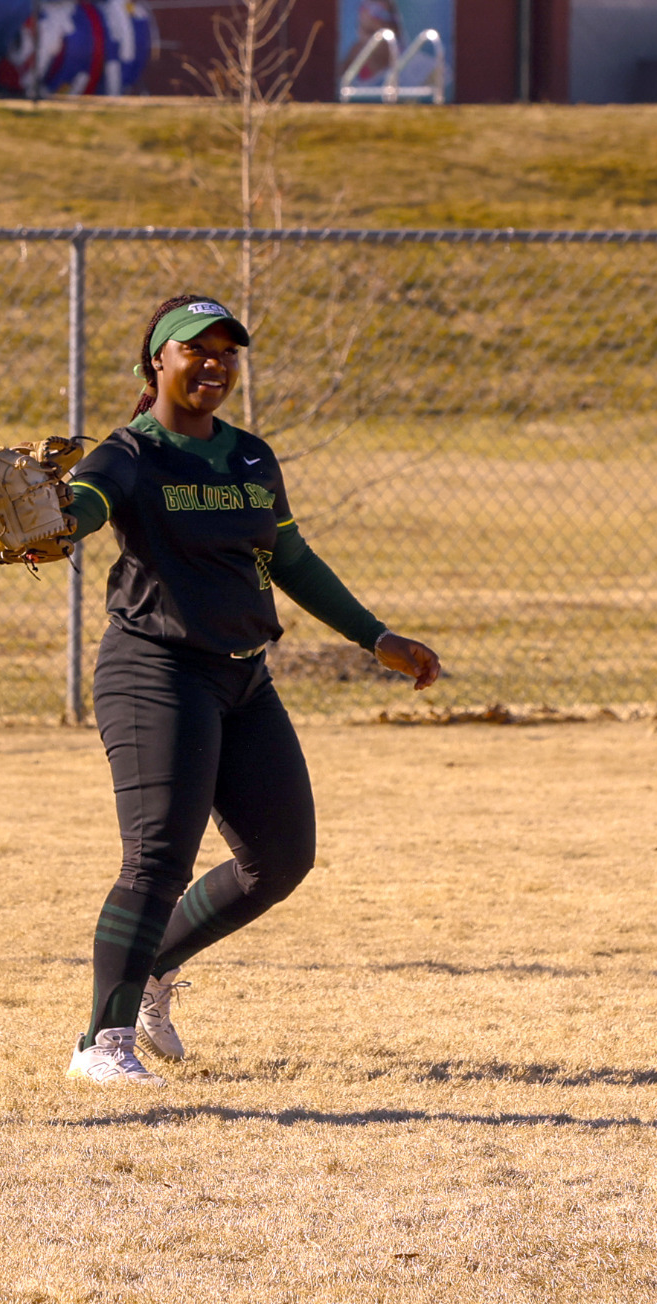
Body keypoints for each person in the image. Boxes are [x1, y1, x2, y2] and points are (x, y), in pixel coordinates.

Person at [57, 293, 441, 1085]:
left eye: (228, 352)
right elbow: (81, 510)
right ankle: (102, 1043)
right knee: (157, 859)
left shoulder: (250, 457)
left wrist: (378, 637)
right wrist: (55, 519)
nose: (215, 364)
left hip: (242, 676)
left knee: (280, 856)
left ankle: (153, 969)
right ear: (156, 360)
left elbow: (291, 560)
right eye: (197, 349)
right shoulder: (127, 454)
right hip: (154, 670)